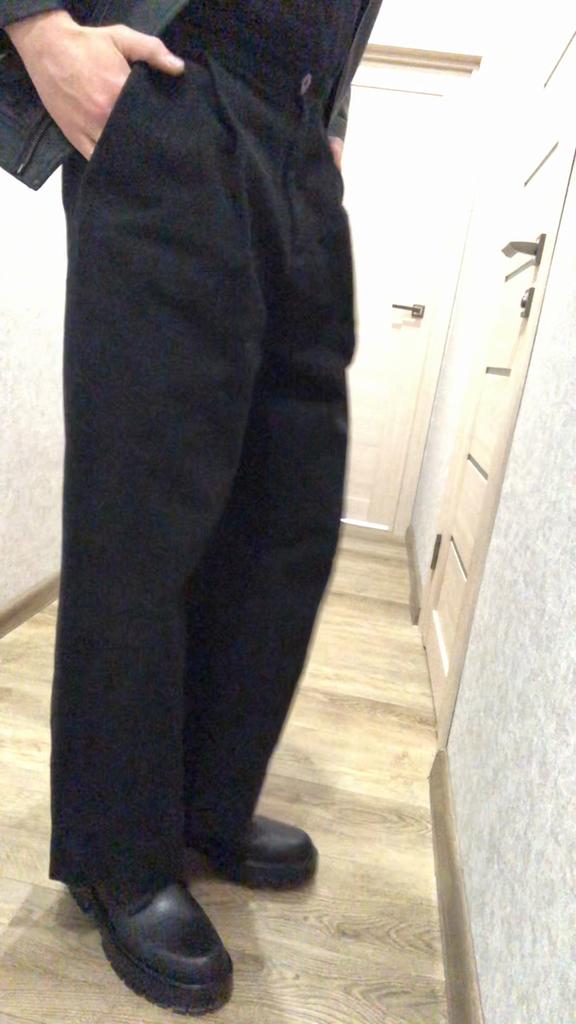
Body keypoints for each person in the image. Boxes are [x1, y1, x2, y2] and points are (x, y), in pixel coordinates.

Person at [2, 1, 381, 1015]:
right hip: (179, 82)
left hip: (299, 128)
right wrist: (36, 26)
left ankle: (209, 805)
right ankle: (118, 855)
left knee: (278, 505)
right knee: (146, 505)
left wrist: (329, 121)